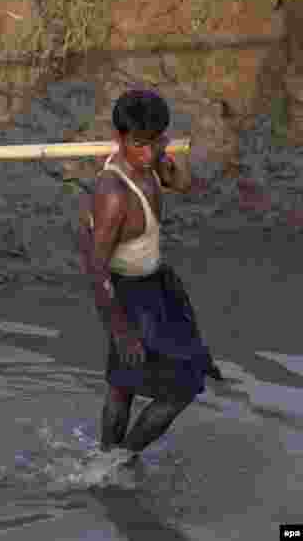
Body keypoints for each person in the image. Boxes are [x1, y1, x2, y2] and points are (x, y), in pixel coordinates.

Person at [80, 89, 219, 459]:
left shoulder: (153, 162)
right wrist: (122, 330)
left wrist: (166, 165)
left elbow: (188, 187)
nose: (146, 153)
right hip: (127, 294)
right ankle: (121, 459)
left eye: (154, 143)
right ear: (119, 139)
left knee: (123, 386)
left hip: (157, 284)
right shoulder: (113, 193)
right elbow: (96, 268)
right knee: (181, 389)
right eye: (138, 145)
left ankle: (107, 460)